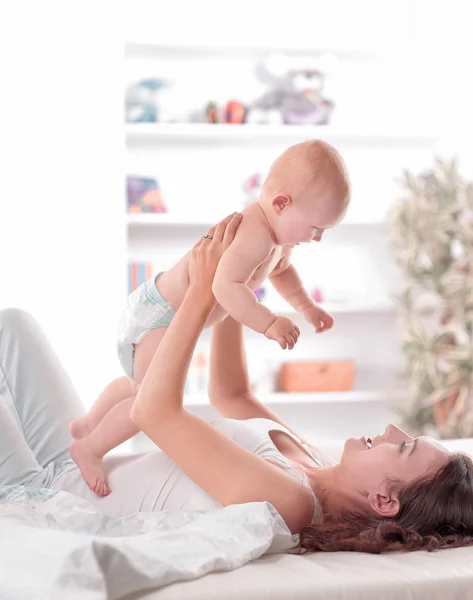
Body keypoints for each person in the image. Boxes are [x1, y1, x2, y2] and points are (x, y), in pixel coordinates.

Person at [0, 214, 472, 553]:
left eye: (404, 448)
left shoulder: (291, 502)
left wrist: (202, 292)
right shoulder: (312, 460)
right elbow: (232, 397)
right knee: (14, 325)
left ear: (383, 501)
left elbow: (154, 412)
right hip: (70, 463)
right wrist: (234, 284)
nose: (392, 429)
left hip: (41, 499)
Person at [70, 139, 351, 495]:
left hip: (157, 311)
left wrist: (307, 307)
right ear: (282, 203)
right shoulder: (255, 234)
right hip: (160, 315)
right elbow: (224, 287)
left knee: (136, 383)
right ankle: (90, 448)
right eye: (315, 228)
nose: (319, 237)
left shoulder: (279, 240)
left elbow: (282, 272)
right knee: (147, 397)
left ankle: (89, 423)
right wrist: (268, 322)